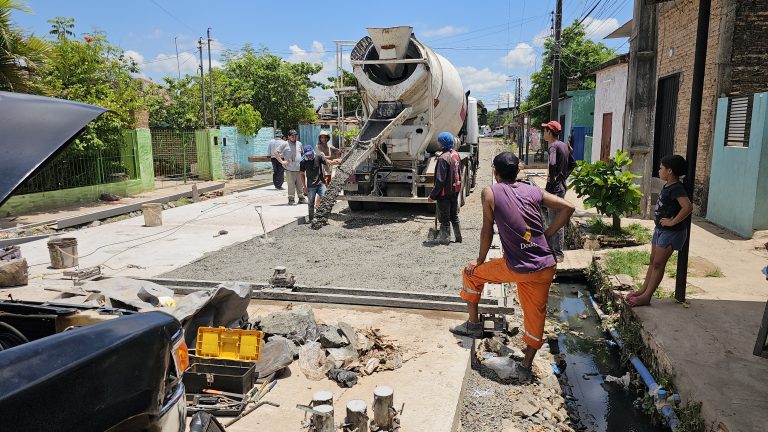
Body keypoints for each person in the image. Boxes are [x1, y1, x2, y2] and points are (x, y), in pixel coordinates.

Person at [450, 152, 575, 383]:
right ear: (518, 172)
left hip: (516, 267)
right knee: (536, 316)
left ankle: (473, 325)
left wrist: (479, 260)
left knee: (471, 275)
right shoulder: (533, 190)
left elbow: (487, 231)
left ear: (495, 172)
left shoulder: (490, 192)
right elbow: (568, 207)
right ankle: (526, 367)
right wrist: (546, 235)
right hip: (544, 267)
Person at [626, 155, 693, 307]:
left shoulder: (677, 188)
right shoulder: (668, 185)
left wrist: (672, 221)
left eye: (661, 168)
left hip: (672, 232)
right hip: (660, 230)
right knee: (653, 261)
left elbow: (687, 207)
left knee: (658, 264)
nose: (659, 170)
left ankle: (647, 297)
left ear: (670, 171)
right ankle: (643, 290)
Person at [542, 120, 575, 262]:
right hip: (561, 187)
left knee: (554, 221)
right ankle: (554, 251)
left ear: (550, 132)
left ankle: (557, 253)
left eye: (545, 131)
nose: (544, 133)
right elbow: (573, 164)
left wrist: (552, 178)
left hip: (554, 189)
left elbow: (553, 163)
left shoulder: (553, 146)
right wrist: (563, 177)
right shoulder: (564, 146)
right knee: (556, 220)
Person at [428, 132, 463, 245]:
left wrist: (433, 195)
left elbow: (440, 180)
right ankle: (458, 237)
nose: (438, 143)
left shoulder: (443, 158)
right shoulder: (455, 154)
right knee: (454, 216)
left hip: (444, 193)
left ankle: (445, 239)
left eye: (439, 141)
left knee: (444, 218)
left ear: (442, 143)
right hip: (455, 190)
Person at [299, 144, 339, 221]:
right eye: (308, 155)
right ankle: (311, 219)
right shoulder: (303, 161)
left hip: (320, 183)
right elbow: (301, 174)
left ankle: (324, 217)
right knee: (311, 203)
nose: (310, 156)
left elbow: (327, 162)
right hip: (311, 186)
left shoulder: (318, 157)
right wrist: (304, 186)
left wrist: (336, 162)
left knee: (325, 199)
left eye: (310, 154)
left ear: (313, 152)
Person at [274, 129, 307, 205]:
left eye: (295, 136)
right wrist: (281, 161)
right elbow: (276, 152)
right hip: (289, 169)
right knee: (291, 185)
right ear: (288, 137)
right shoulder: (285, 144)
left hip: (299, 169)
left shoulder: (299, 144)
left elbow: (302, 154)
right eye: (292, 136)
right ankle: (291, 199)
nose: (294, 137)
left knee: (300, 184)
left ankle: (301, 198)